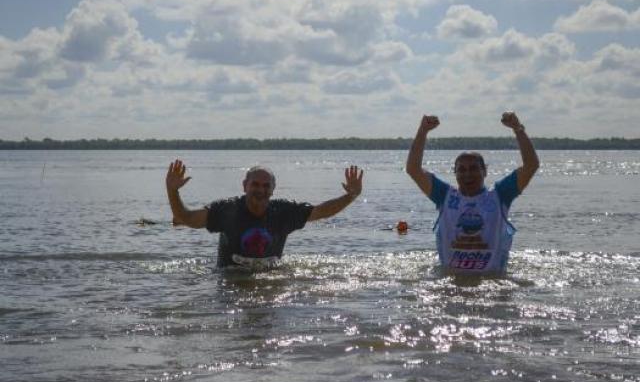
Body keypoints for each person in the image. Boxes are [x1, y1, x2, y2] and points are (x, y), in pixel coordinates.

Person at [406, 112, 539, 277]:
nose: (468, 174)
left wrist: (518, 129)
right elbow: (413, 169)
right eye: (461, 170)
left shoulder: (500, 195)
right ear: (454, 173)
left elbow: (531, 165)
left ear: (485, 171)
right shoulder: (444, 195)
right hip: (450, 285)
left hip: (492, 284)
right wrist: (423, 131)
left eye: (474, 168)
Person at [166, 160, 363, 268]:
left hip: (269, 277)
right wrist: (172, 190)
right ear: (245, 186)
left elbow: (321, 211)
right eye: (255, 185)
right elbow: (186, 218)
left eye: (266, 186)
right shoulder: (226, 210)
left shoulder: (284, 211)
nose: (260, 190)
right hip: (231, 280)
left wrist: (351, 195)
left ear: (273, 189)